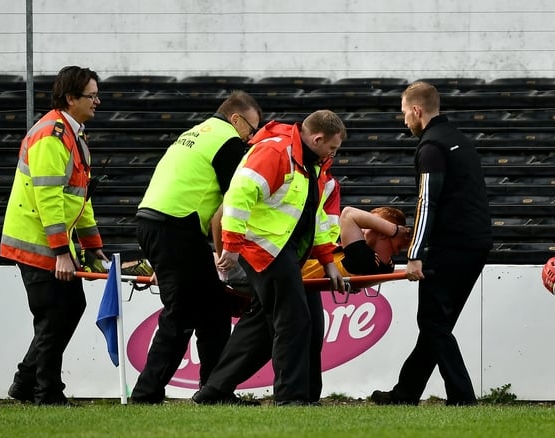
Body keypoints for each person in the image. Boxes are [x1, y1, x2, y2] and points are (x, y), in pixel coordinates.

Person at [191, 206, 411, 405]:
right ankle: (219, 390)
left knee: (287, 334)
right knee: (277, 335)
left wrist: (392, 229)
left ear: (383, 233)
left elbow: (349, 215)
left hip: (288, 277)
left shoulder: (365, 258)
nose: (363, 231)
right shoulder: (375, 260)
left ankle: (218, 390)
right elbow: (348, 217)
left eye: (370, 227)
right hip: (280, 276)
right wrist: (393, 230)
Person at [129, 90, 262, 404]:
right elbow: (239, 196)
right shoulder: (227, 140)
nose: (250, 137)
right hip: (176, 227)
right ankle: (146, 393)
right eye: (251, 129)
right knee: (181, 314)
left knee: (213, 311)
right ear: (236, 118)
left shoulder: (196, 132)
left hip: (157, 223)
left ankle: (213, 390)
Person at [213, 110, 347, 406]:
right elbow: (237, 196)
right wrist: (231, 247)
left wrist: (327, 263)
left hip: (284, 252)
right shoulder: (276, 151)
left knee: (271, 325)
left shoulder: (314, 164)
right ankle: (292, 398)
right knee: (295, 321)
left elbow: (320, 220)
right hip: (264, 249)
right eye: (332, 148)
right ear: (317, 138)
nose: (334, 155)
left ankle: (214, 390)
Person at [371, 81, 492, 406]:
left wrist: (415, 254)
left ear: (416, 110)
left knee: (432, 323)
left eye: (404, 114)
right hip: (476, 244)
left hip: (449, 247)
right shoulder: (460, 141)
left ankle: (463, 397)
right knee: (437, 325)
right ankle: (406, 393)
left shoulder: (431, 147)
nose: (404, 121)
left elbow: (427, 203)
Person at [0, 66, 107, 406]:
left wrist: (93, 249)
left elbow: (78, 199)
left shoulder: (73, 135)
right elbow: (47, 198)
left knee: (69, 307)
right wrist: (62, 251)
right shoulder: (52, 136)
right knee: (54, 315)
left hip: (51, 243)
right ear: (70, 98)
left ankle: (26, 382)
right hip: (38, 244)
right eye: (91, 96)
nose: (98, 101)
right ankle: (46, 393)